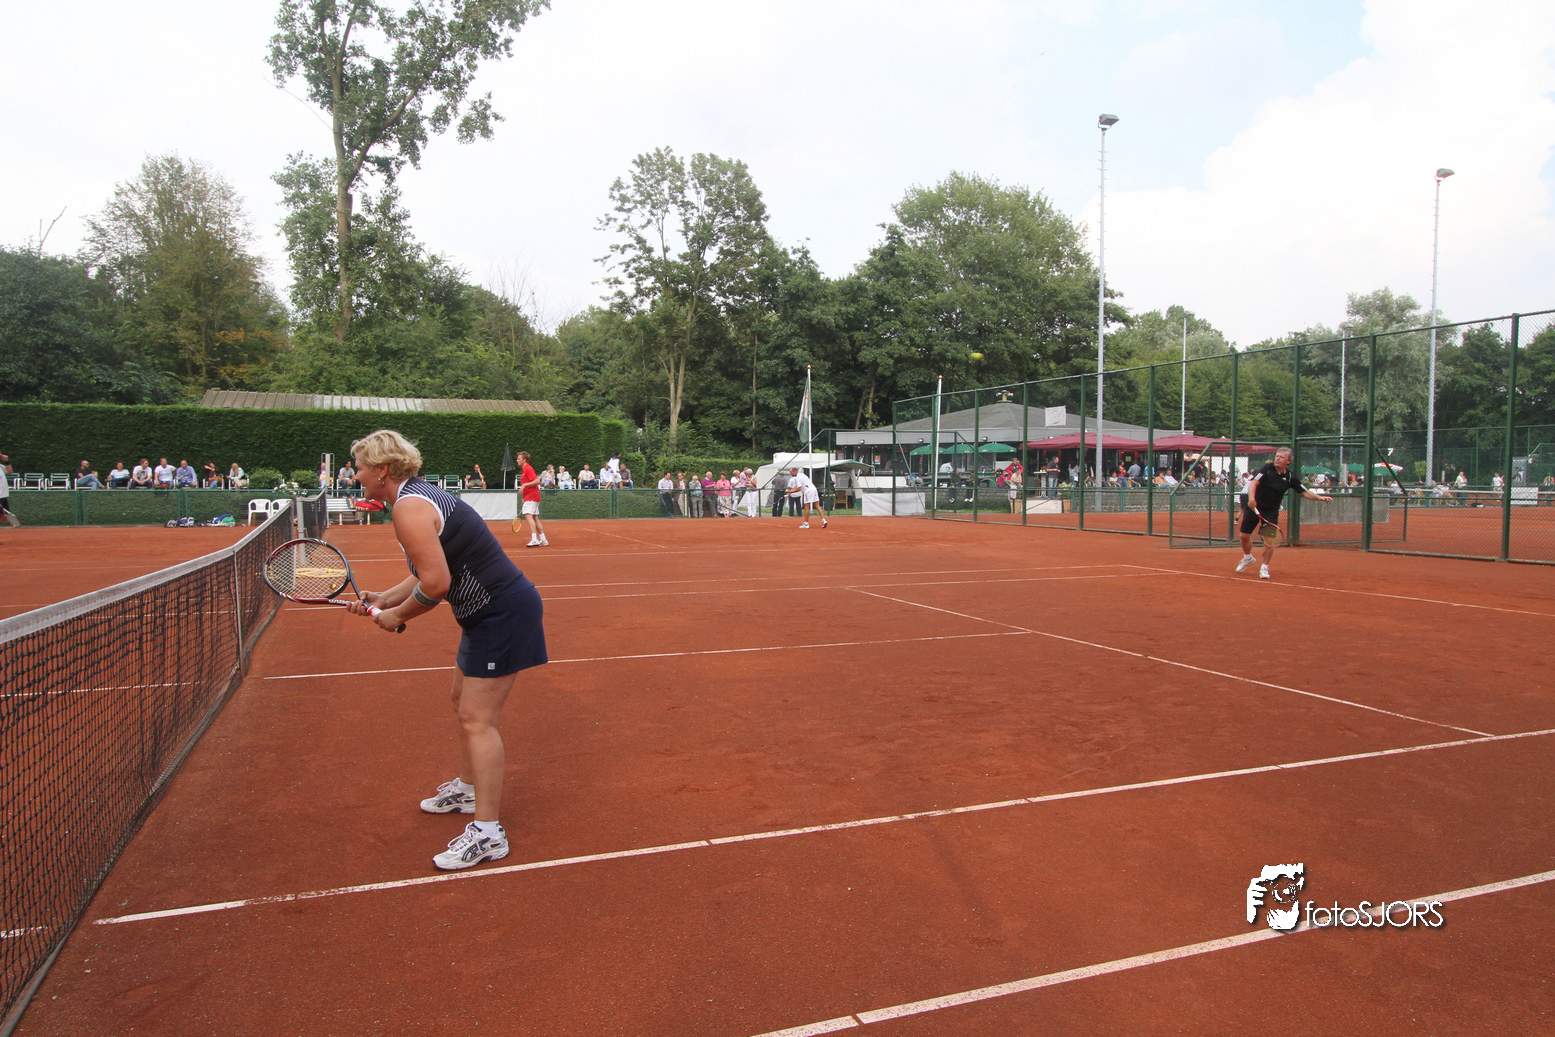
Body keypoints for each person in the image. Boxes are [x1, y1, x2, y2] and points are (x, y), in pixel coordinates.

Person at [345, 429, 547, 871]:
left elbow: (437, 585)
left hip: (501, 612)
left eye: (359, 468)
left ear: (382, 470)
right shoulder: (418, 496)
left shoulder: (409, 508)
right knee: (461, 702)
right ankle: (468, 790)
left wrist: (397, 617)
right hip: (485, 612)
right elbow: (431, 567)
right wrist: (386, 599)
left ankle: (488, 833)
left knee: (478, 719)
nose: (355, 475)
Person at [1236, 447, 1333, 580]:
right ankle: (1248, 558)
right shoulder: (1267, 468)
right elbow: (1254, 483)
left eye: (1281, 457)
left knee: (1269, 541)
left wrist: (1321, 498)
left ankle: (1264, 567)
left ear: (1288, 461)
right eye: (1277, 456)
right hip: (1255, 507)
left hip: (1271, 511)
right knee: (1243, 536)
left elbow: (1305, 492)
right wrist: (1252, 499)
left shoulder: (1290, 477)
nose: (1277, 458)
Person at [516, 450, 548, 547]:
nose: (517, 460)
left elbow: (537, 481)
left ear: (524, 460)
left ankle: (534, 539)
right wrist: (524, 497)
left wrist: (525, 485)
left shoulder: (528, 469)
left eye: (519, 459)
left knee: (528, 516)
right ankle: (543, 539)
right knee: (535, 518)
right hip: (530, 496)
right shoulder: (524, 470)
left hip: (532, 496)